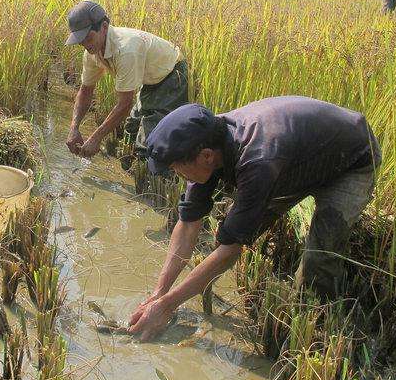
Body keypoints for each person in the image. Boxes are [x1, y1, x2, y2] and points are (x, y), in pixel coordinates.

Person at [128, 97, 382, 341]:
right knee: (233, 230)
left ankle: (314, 326)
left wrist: (167, 306)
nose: (178, 175)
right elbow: (188, 224)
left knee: (319, 256)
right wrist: (159, 293)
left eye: (176, 169)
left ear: (206, 156)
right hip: (296, 159)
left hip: (351, 159)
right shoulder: (210, 144)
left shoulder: (257, 159)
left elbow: (231, 250)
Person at [64, 0, 189, 159]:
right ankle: (129, 173)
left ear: (104, 27)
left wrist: (96, 138)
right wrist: (74, 128)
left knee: (150, 141)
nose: (85, 45)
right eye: (80, 41)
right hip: (149, 79)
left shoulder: (126, 50)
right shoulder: (91, 52)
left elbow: (125, 104)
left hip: (172, 75)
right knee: (131, 130)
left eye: (88, 38)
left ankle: (155, 176)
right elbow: (86, 90)